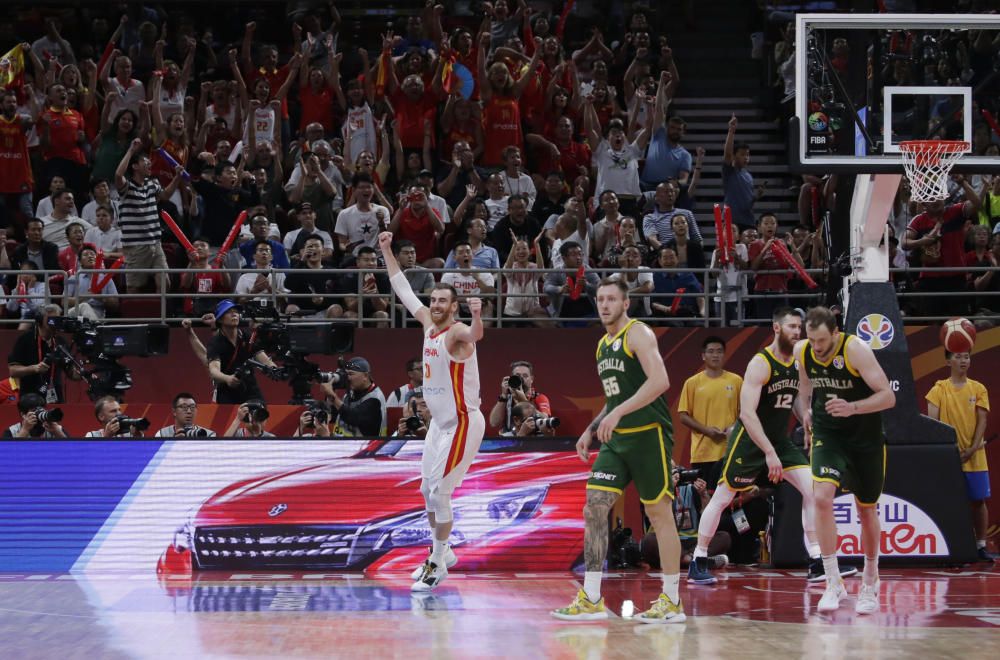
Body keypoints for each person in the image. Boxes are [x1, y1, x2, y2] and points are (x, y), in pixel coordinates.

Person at [552, 278, 685, 624]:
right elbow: (615, 399)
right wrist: (592, 427)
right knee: (594, 508)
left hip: (648, 436)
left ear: (626, 303)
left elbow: (660, 382)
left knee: (659, 514)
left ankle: (672, 601)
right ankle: (592, 596)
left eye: (612, 299)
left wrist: (617, 412)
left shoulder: (637, 334)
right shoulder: (602, 345)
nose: (605, 305)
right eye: (600, 299)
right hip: (617, 440)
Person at [688, 309, 848, 584]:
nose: (797, 332)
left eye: (799, 328)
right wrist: (769, 453)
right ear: (776, 328)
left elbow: (795, 397)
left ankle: (816, 560)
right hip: (750, 442)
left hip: (779, 441)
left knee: (813, 490)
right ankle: (698, 559)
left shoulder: (798, 360)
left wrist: (805, 416)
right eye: (791, 327)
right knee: (723, 498)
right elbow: (747, 414)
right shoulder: (760, 363)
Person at [381, 230, 486, 592]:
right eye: (434, 299)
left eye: (443, 300)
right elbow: (401, 288)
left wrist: (476, 317)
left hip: (463, 422)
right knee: (427, 490)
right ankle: (443, 552)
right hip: (439, 425)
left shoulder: (456, 331)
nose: (437, 304)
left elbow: (476, 336)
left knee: (441, 492)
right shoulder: (427, 322)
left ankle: (438, 562)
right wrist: (386, 250)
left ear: (453, 306)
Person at [794, 306, 895, 614]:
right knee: (821, 497)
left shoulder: (856, 350)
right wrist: (807, 416)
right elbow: (804, 391)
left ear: (835, 334)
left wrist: (852, 407)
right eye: (811, 340)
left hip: (864, 439)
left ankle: (870, 579)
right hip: (830, 436)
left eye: (822, 340)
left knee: (866, 511)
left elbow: (888, 396)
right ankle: (833, 582)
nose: (817, 347)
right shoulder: (803, 352)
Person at [926, 350, 995, 562]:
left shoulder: (978, 388)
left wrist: (972, 449)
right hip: (949, 457)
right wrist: (952, 451)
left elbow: (982, 421)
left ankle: (981, 546)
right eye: (958, 356)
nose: (963, 360)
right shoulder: (938, 389)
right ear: (948, 361)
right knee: (949, 502)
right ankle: (950, 546)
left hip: (975, 456)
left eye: (966, 356)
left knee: (977, 501)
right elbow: (933, 424)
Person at [114, 138, 183, 293]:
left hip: (155, 244)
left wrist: (177, 178)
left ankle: (160, 316)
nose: (149, 164)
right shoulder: (127, 187)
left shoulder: (152, 184)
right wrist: (131, 150)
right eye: (145, 161)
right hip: (135, 247)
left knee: (165, 282)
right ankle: (133, 317)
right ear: (135, 166)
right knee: (133, 287)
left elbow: (165, 195)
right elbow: (118, 175)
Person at [677, 337, 743, 486]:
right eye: (711, 351)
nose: (715, 355)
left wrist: (732, 429)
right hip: (702, 453)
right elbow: (683, 416)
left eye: (719, 351)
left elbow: (745, 413)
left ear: (724, 355)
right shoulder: (692, 383)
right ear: (703, 356)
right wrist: (707, 431)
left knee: (730, 500)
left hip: (730, 452)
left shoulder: (736, 381)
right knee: (704, 498)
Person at [205, 300, 278, 404]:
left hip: (250, 388)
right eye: (229, 312)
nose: (234, 314)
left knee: (261, 415)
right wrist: (228, 379)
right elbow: (214, 370)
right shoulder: (215, 343)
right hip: (227, 390)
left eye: (235, 311)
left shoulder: (248, 337)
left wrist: (274, 369)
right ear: (220, 319)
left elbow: (265, 360)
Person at [6, 304, 75, 403]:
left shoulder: (61, 342)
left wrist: (83, 373)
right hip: (30, 398)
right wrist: (34, 368)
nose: (54, 322)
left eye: (57, 318)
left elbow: (71, 373)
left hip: (55, 398)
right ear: (39, 320)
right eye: (51, 318)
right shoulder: (25, 339)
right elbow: (13, 371)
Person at [320, 356, 387, 437]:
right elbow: (334, 416)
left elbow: (353, 418)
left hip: (365, 447)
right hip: (343, 445)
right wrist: (331, 392)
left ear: (365, 376)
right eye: (346, 374)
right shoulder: (350, 394)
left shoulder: (375, 399)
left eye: (351, 374)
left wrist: (333, 397)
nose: (347, 378)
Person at [489, 360, 552, 434]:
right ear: (511, 378)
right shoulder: (506, 399)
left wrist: (524, 401)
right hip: (510, 439)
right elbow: (494, 423)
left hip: (533, 438)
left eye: (525, 376)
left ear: (531, 379)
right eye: (518, 376)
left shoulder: (539, 397)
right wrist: (503, 396)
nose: (521, 379)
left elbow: (546, 420)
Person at [64, 244, 120, 320]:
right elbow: (63, 302)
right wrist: (84, 297)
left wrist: (102, 298)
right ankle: (95, 328)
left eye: (93, 254)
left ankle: (93, 326)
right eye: (86, 255)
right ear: (80, 262)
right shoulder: (73, 278)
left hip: (98, 315)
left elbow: (115, 305)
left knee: (88, 311)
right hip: (74, 314)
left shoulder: (106, 278)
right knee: (84, 306)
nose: (90, 256)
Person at [2, 392, 67, 438]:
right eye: (34, 411)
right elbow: (6, 455)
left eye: (41, 410)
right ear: (23, 415)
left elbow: (71, 451)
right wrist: (25, 430)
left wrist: (58, 433)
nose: (39, 413)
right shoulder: (12, 431)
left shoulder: (56, 428)